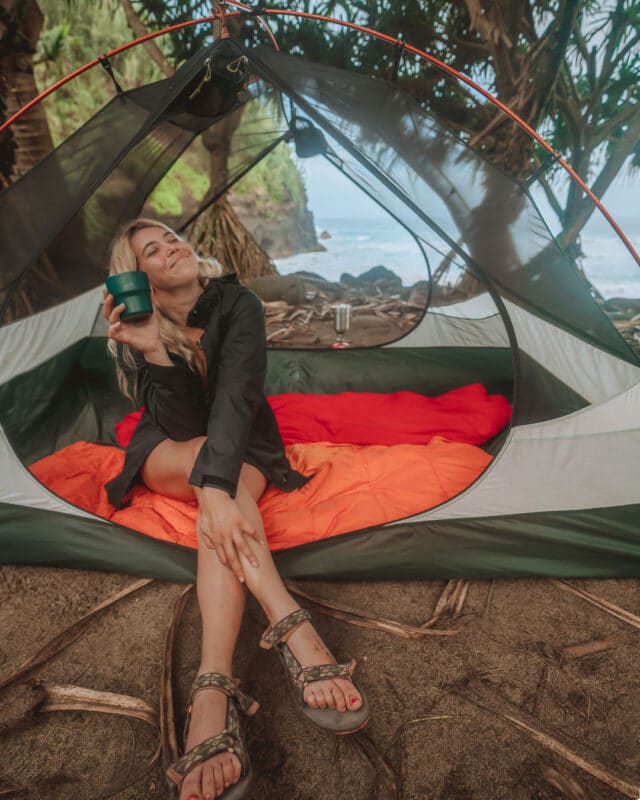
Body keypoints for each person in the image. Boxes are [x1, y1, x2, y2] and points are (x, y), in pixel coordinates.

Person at [102, 219, 369, 800]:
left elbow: (236, 400)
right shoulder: (144, 326)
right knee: (201, 460)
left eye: (173, 237)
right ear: (136, 275)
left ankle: (211, 686)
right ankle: (292, 627)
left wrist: (216, 493)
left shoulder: (237, 303)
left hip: (245, 438)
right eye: (154, 249)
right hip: (166, 449)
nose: (174, 246)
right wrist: (153, 350)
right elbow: (179, 425)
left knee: (213, 473)